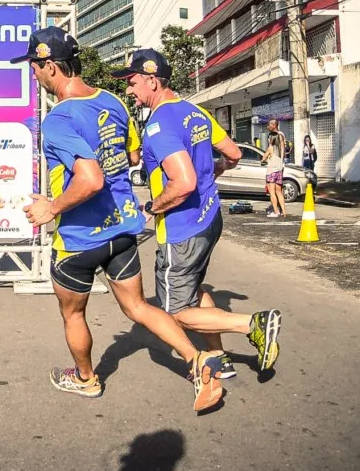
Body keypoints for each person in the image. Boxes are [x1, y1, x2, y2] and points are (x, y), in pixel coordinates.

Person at [11, 27, 225, 413]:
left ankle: (85, 379)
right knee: (138, 308)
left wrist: (52, 207)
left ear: (50, 66)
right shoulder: (113, 102)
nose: (34, 75)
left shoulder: (58, 118)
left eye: (34, 68)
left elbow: (90, 179)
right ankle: (198, 361)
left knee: (73, 313)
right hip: (123, 230)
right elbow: (130, 157)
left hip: (78, 238)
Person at [114, 49, 283, 375]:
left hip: (181, 230)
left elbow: (184, 182)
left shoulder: (158, 126)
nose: (129, 90)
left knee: (175, 312)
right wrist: (210, 175)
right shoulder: (194, 112)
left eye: (132, 83)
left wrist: (152, 206)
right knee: (193, 290)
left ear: (152, 80)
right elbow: (232, 155)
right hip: (210, 218)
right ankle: (219, 357)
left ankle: (253, 324)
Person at [261, 119, 287, 218]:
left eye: (269, 125)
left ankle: (276, 212)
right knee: (279, 191)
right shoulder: (281, 144)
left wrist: (263, 159)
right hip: (279, 169)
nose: (268, 126)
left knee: (272, 192)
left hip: (271, 171)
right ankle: (284, 211)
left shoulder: (271, 147)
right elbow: (283, 150)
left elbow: (263, 157)